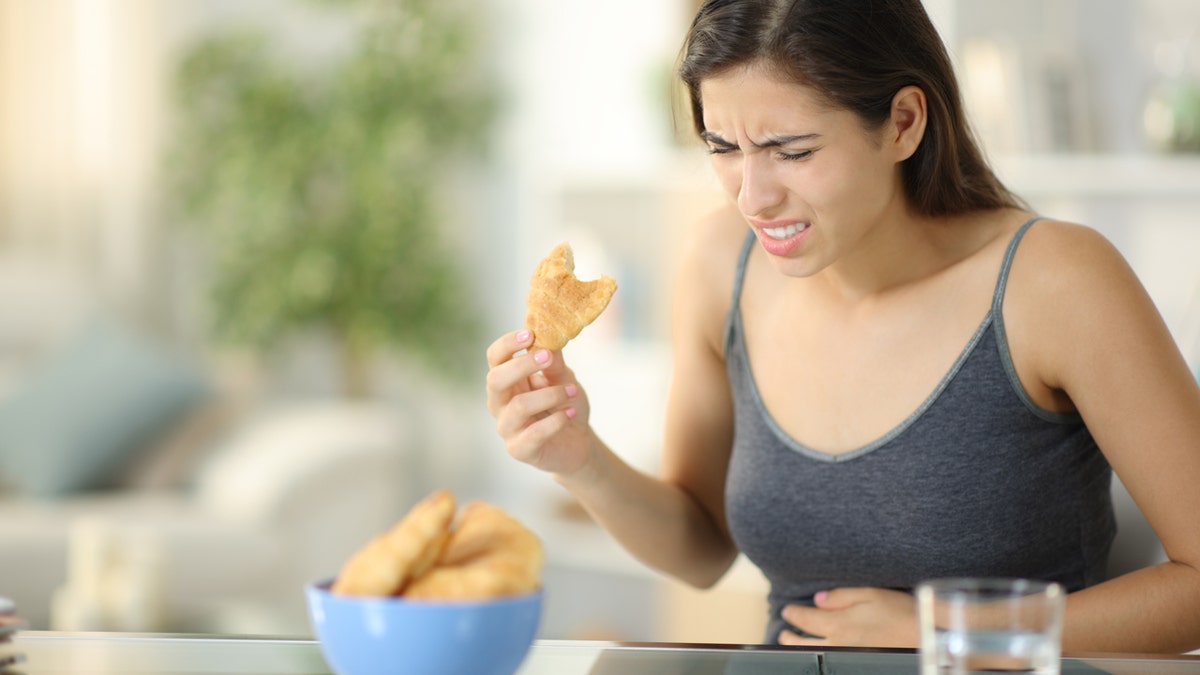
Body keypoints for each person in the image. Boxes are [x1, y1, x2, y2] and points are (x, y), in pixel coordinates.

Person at [485, 0, 1200, 653]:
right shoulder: (718, 265)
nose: (753, 197)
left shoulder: (1055, 282)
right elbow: (701, 550)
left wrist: (943, 631)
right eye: (723, 147)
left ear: (903, 123)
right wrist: (579, 459)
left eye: (792, 151)